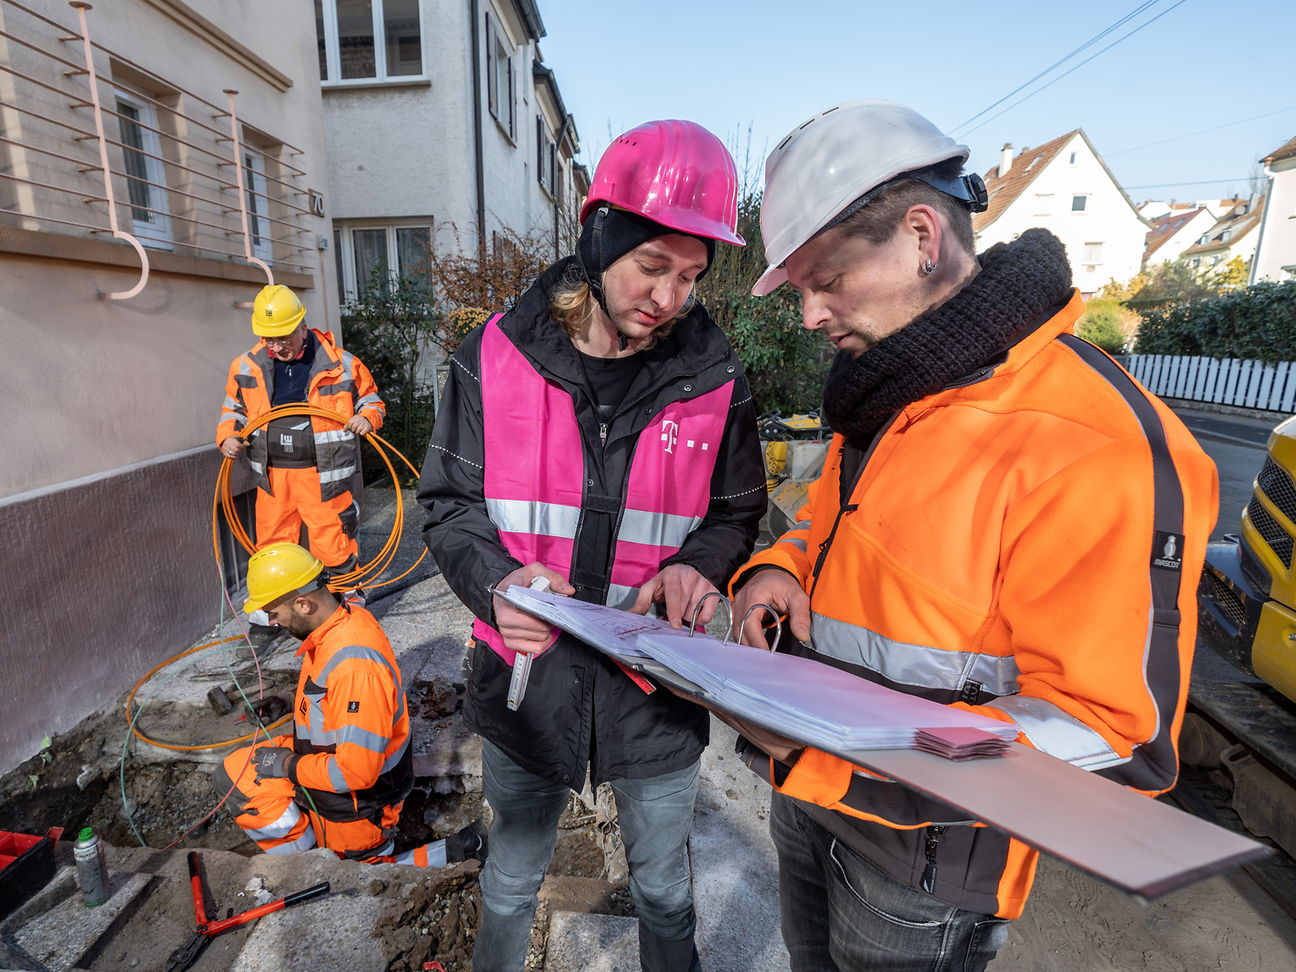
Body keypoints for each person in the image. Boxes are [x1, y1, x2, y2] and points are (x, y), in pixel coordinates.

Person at [722, 100, 1217, 972]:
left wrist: (821, 748)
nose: (808, 315)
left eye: (825, 279)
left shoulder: (1095, 444)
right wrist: (776, 566)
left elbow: (1114, 740)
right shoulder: (891, 390)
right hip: (804, 798)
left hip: (922, 870)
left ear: (922, 234)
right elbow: (828, 523)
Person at [418, 119, 767, 972]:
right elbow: (448, 505)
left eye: (690, 276)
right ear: (599, 236)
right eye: (652, 266)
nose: (670, 296)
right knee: (510, 879)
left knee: (663, 891)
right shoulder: (492, 358)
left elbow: (737, 511)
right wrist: (496, 582)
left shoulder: (716, 380)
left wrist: (701, 564)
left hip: (655, 694)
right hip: (526, 686)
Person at [212, 542, 485, 866]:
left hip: (358, 800)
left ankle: (464, 847)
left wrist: (287, 765)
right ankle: (312, 859)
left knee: (356, 873)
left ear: (302, 604)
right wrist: (287, 701)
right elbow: (331, 694)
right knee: (233, 775)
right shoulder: (341, 622)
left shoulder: (355, 667)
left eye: (274, 613)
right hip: (324, 765)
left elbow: (355, 774)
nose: (273, 622)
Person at [216, 284, 384, 621]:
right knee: (273, 543)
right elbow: (232, 410)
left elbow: (371, 399)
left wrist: (367, 418)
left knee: (334, 540)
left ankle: (348, 602)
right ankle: (273, 609)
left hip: (324, 476)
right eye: (269, 340)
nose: (277, 347)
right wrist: (228, 437)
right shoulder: (246, 366)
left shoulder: (341, 364)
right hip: (273, 478)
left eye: (284, 338)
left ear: (302, 327)